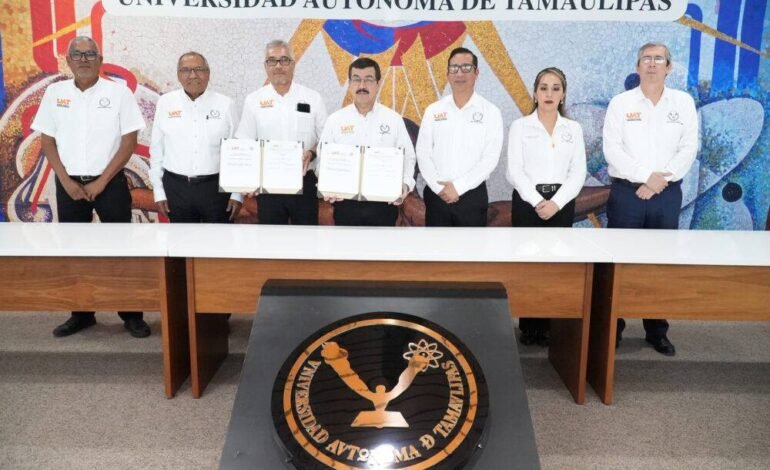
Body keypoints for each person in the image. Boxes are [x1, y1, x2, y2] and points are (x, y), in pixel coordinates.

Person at [31, 36, 150, 338]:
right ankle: (81, 314)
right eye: (77, 54)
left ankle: (131, 314)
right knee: (74, 252)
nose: (84, 59)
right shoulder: (55, 93)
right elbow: (47, 141)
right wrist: (66, 181)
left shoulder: (118, 93)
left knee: (122, 252)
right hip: (69, 185)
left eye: (89, 54)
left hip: (109, 184)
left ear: (100, 60)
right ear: (68, 60)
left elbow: (129, 142)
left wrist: (101, 181)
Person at [603, 42, 699, 356]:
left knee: (659, 264)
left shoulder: (682, 103)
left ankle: (657, 331)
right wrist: (646, 176)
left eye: (659, 59)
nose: (652, 64)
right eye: (646, 58)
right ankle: (613, 328)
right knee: (618, 262)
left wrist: (660, 181)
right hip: (626, 193)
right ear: (637, 66)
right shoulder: (621, 103)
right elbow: (612, 149)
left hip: (666, 194)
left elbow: (688, 148)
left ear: (668, 67)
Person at [507, 67, 587, 347]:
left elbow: (578, 172)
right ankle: (529, 327)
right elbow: (514, 171)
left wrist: (556, 203)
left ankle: (553, 325)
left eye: (555, 88)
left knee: (556, 266)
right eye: (543, 88)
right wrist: (538, 201)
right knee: (528, 266)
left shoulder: (573, 129)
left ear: (563, 94)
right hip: (528, 202)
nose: (549, 94)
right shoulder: (520, 126)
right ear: (535, 93)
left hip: (561, 203)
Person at [235, 40, 327, 225]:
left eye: (284, 60)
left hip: (304, 182)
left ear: (293, 64)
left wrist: (312, 152)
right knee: (271, 239)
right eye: (272, 61)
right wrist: (245, 182)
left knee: (307, 237)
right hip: (268, 185)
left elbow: (326, 140)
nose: (278, 66)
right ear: (265, 66)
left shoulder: (313, 98)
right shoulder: (253, 100)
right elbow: (244, 143)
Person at [318, 57, 416, 226]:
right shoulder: (335, 121)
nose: (362, 85)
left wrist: (405, 185)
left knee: (382, 244)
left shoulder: (393, 120)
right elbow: (322, 160)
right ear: (350, 84)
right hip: (346, 203)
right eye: (356, 79)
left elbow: (408, 158)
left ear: (378, 84)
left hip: (384, 204)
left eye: (368, 79)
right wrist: (327, 185)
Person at [149, 51, 241, 224]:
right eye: (185, 70)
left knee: (218, 239)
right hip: (176, 188)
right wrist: (158, 192)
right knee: (180, 239)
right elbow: (157, 150)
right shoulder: (165, 103)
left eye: (199, 69)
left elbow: (237, 152)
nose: (193, 75)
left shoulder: (226, 104)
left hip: (216, 189)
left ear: (208, 73)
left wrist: (237, 194)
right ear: (178, 75)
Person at [416, 47, 503, 227]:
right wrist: (439, 188)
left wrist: (459, 187)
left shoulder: (491, 112)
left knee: (471, 246)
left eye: (466, 67)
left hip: (472, 197)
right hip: (437, 196)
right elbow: (423, 153)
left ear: (476, 73)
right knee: (436, 245)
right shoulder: (433, 111)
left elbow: (490, 158)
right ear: (448, 74)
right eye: (454, 68)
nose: (459, 73)